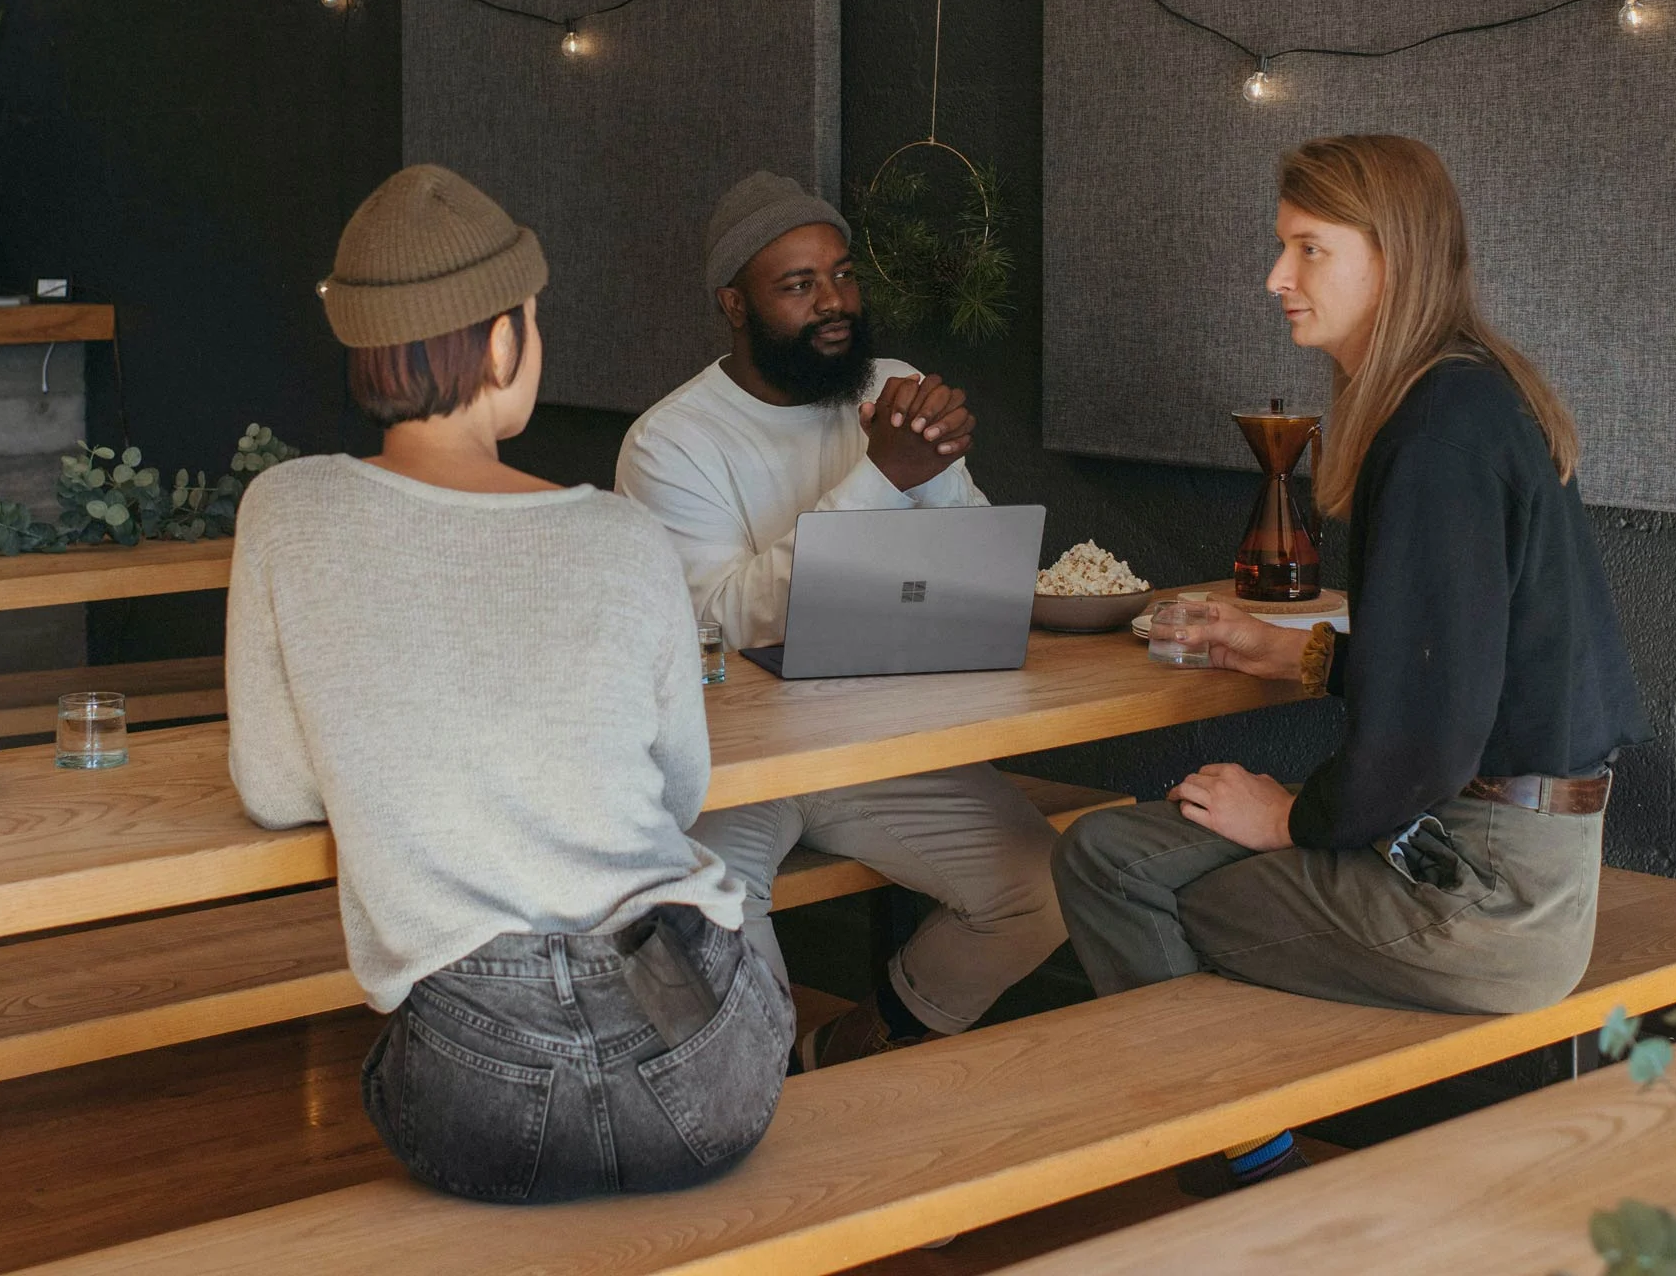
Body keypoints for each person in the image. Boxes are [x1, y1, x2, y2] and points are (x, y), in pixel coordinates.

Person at [1053, 134, 1646, 1193]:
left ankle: (1253, 1183)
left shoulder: (1434, 435)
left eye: (1306, 248)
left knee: (1114, 865)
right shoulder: (1476, 392)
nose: (1275, 278)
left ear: (1394, 256)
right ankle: (1258, 1142)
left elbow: (1428, 731)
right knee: (1132, 848)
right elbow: (1469, 656)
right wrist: (1300, 651)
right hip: (1531, 862)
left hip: (1479, 900)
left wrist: (1291, 819)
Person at [227, 164, 790, 1204]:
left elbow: (272, 787)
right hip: (707, 1059)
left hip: (477, 1086)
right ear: (498, 339)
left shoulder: (285, 511)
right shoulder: (622, 534)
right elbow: (681, 790)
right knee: (738, 896)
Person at [617, 170, 1068, 1069]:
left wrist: (925, 474)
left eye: (843, 275)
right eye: (798, 286)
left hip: (876, 741)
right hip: (733, 763)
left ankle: (859, 1048)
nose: (834, 303)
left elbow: (968, 560)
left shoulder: (890, 387)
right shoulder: (669, 442)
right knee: (709, 913)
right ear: (734, 305)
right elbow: (718, 623)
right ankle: (767, 1104)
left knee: (1045, 887)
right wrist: (878, 479)